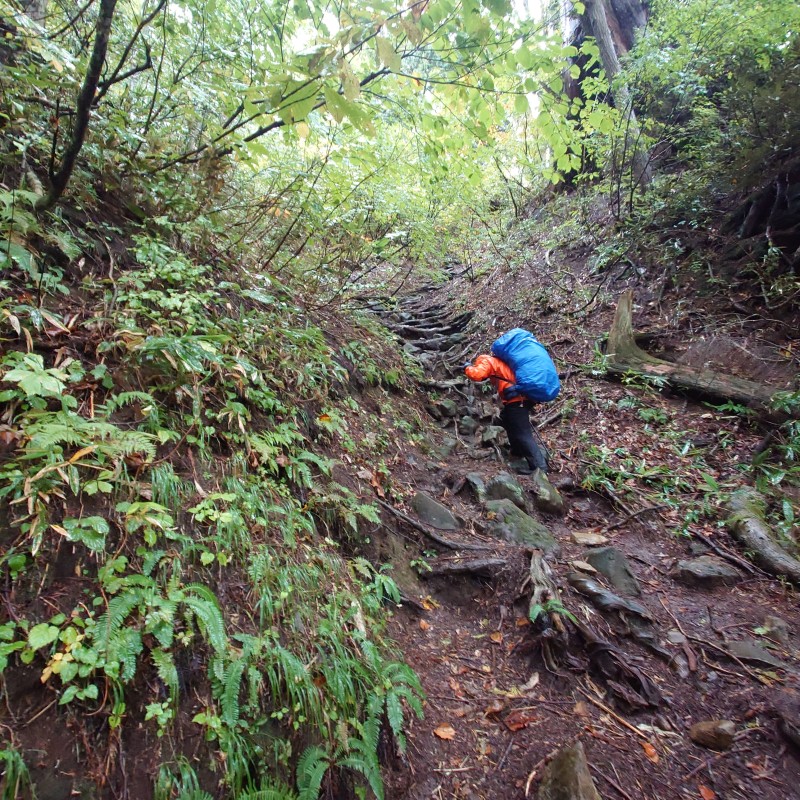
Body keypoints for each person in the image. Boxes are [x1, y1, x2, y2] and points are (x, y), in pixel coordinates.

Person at [462, 354, 548, 475]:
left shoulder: (487, 361)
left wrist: (467, 367)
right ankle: (517, 451)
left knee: (523, 433)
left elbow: (477, 374)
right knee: (506, 418)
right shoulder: (502, 363)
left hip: (517, 401)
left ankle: (540, 468)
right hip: (520, 399)